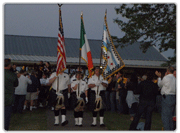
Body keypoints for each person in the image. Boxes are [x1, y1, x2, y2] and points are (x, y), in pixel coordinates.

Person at [4, 59, 19, 130]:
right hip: (8, 98)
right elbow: (16, 84)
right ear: (9, 65)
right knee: (6, 117)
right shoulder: (12, 75)